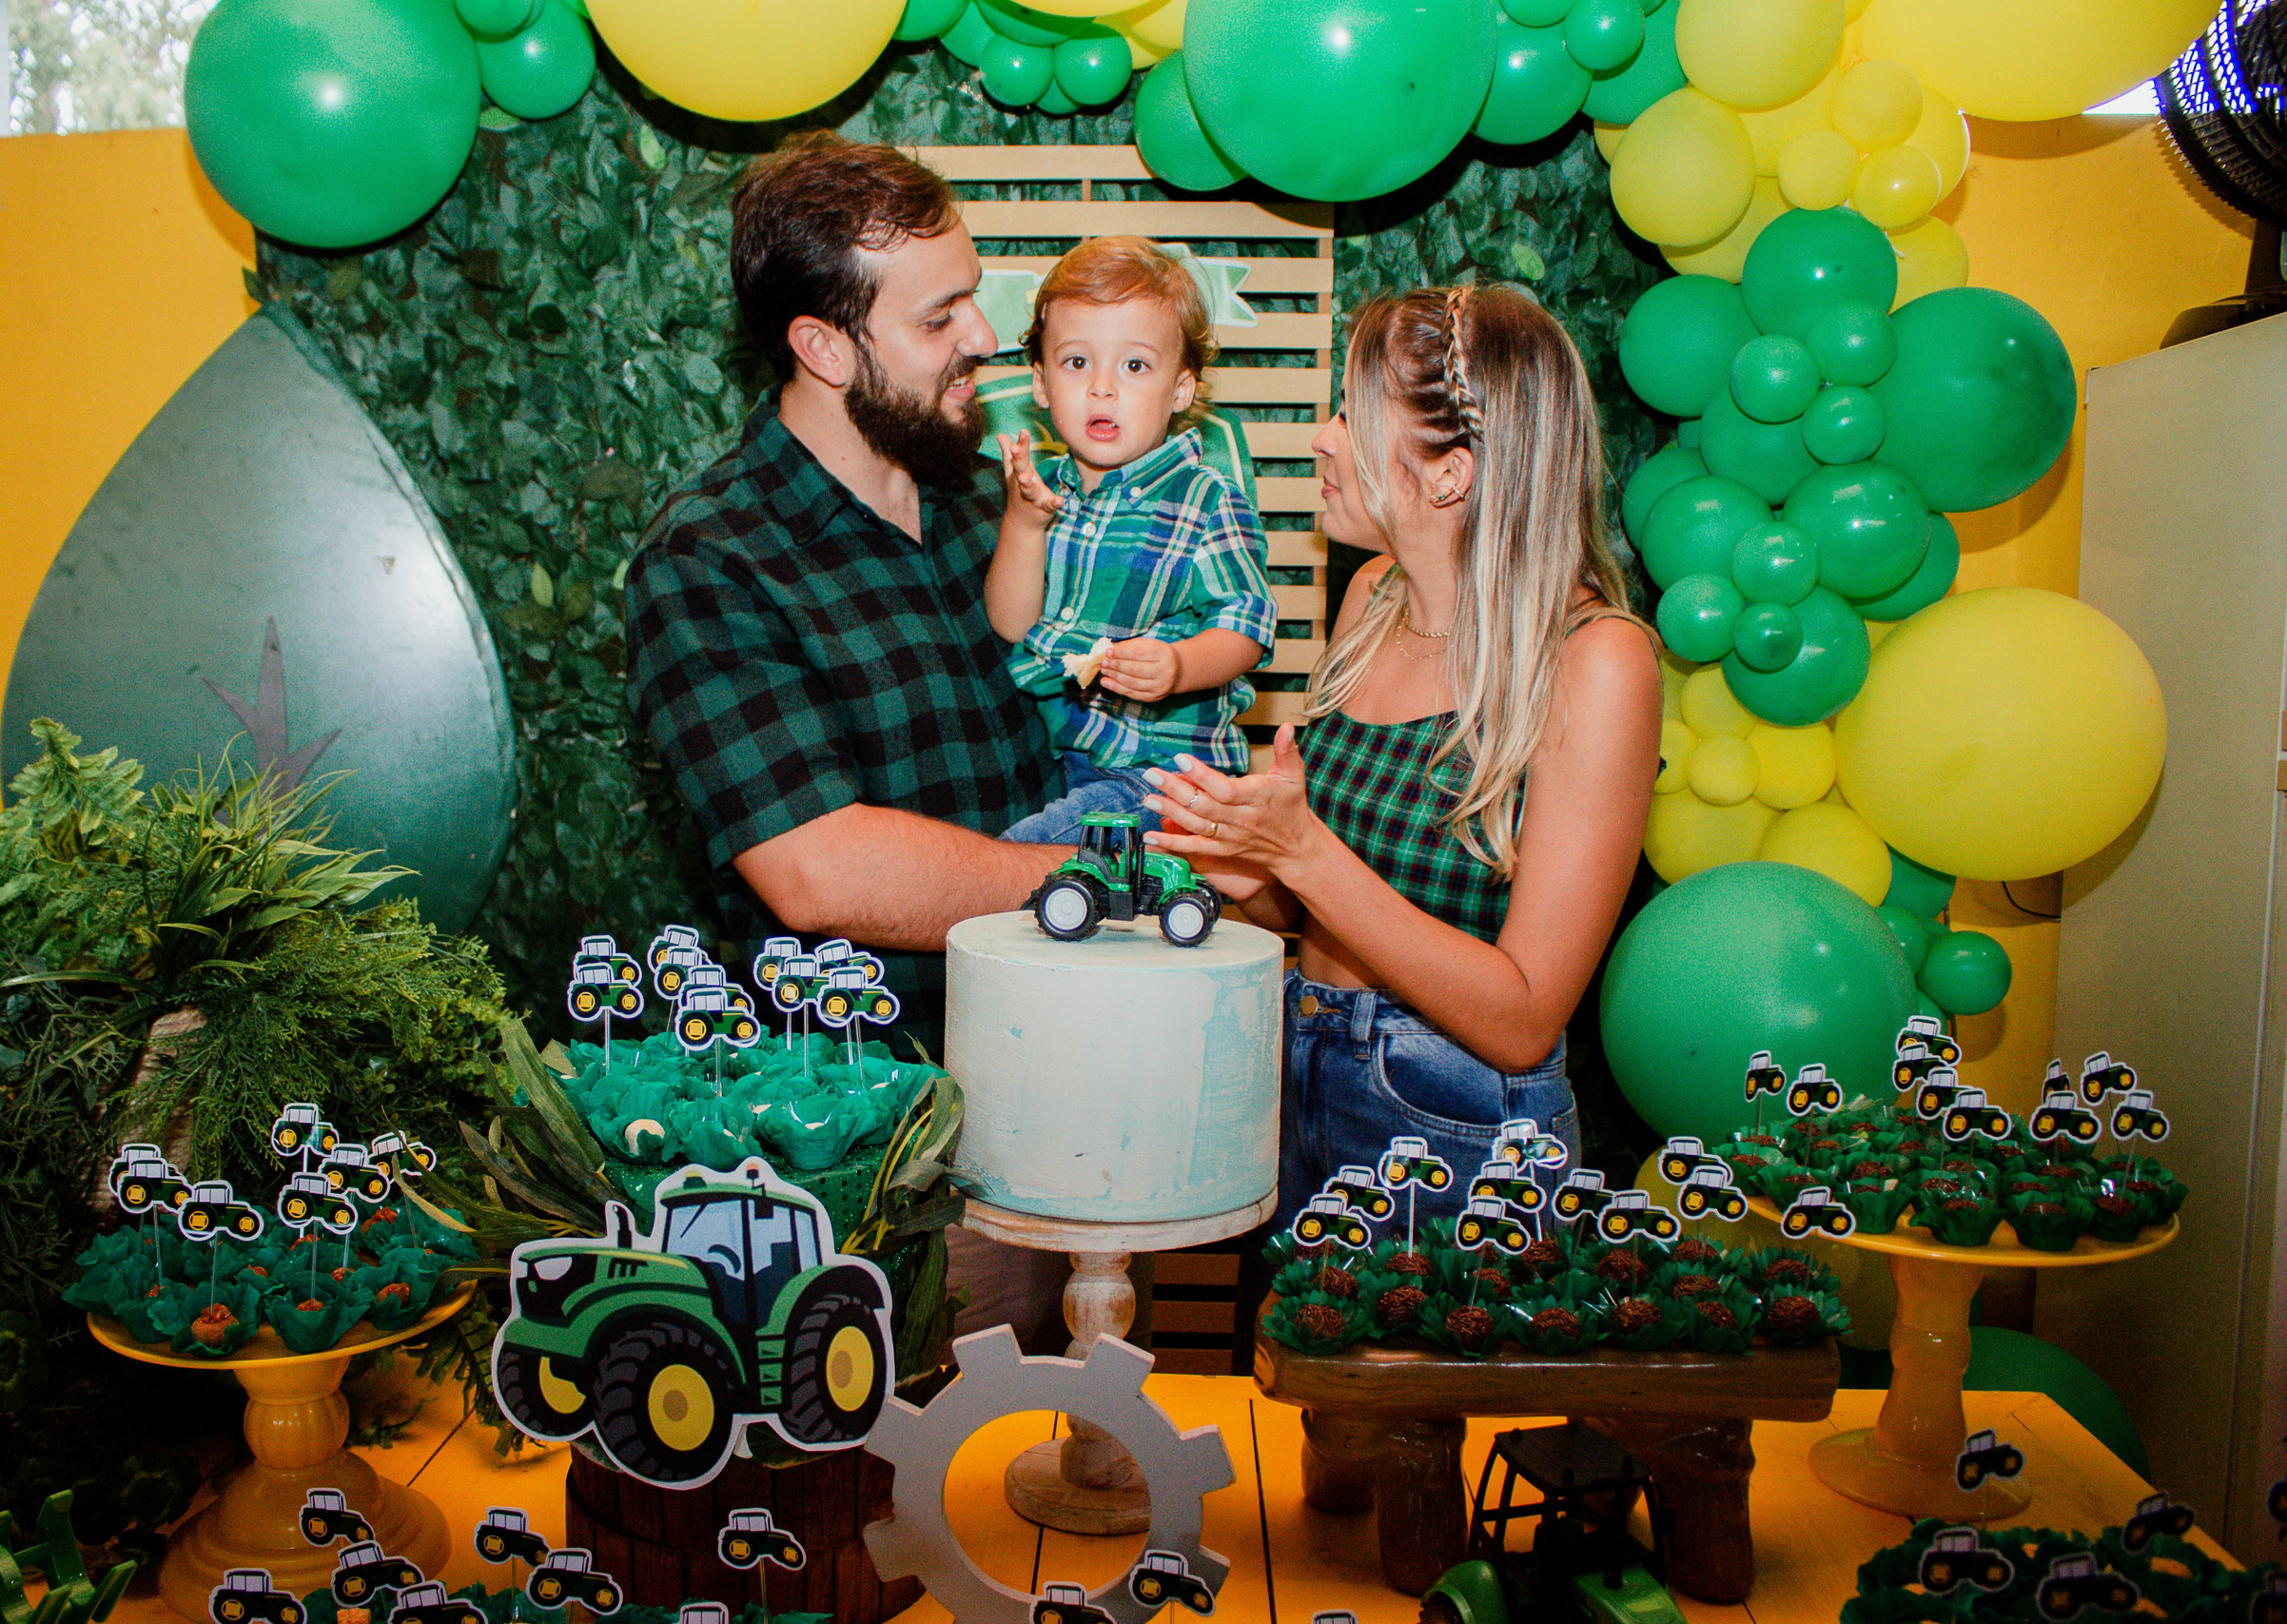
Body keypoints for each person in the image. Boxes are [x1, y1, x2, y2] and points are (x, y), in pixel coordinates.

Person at [1139, 283, 1661, 1221]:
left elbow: (1521, 1016)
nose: (1322, 438)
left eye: (1351, 413)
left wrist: (1299, 851)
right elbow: (1319, 917)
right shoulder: (1372, 596)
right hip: (1294, 1074)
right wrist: (1236, 863)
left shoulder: (1597, 661)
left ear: (1449, 474)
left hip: (1455, 1132)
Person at [623, 133, 1069, 1048]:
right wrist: (1102, 877)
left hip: (1072, 1045)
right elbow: (819, 868)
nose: (983, 338)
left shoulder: (995, 501)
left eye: (972, 298)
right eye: (938, 318)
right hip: (871, 1111)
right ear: (824, 348)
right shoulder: (711, 560)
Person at [984, 236, 1278, 843]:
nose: (1103, 388)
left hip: (1167, 776)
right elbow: (1013, 624)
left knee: (1018, 860)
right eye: (1077, 363)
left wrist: (1178, 666)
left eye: (1135, 365)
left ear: (1180, 390)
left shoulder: (1204, 499)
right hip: (1072, 758)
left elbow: (1248, 627)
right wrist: (1022, 523)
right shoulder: (1045, 490)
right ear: (1040, 384)